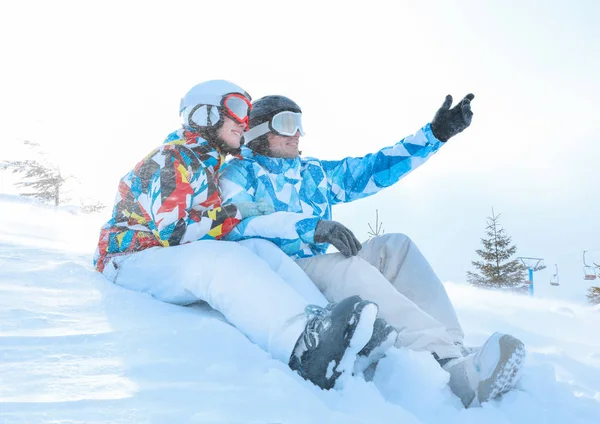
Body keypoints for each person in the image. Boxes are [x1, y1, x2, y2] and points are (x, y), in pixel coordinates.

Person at [218, 93, 526, 407]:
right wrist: (309, 227)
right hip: (282, 271)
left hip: (317, 265)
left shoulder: (312, 173)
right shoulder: (239, 174)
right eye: (286, 123)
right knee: (347, 267)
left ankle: (454, 352)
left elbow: (372, 168)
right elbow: (238, 226)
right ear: (256, 132)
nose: (297, 132)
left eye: (299, 123)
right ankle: (443, 362)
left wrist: (434, 135)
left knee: (396, 247)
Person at [92, 80, 384, 391]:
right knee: (218, 259)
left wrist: (240, 216)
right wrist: (236, 212)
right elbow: (176, 235)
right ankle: (303, 347)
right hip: (129, 259)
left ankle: (330, 328)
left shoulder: (207, 164)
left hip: (162, 257)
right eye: (237, 109)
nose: (244, 121)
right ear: (203, 115)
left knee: (258, 248)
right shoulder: (171, 159)